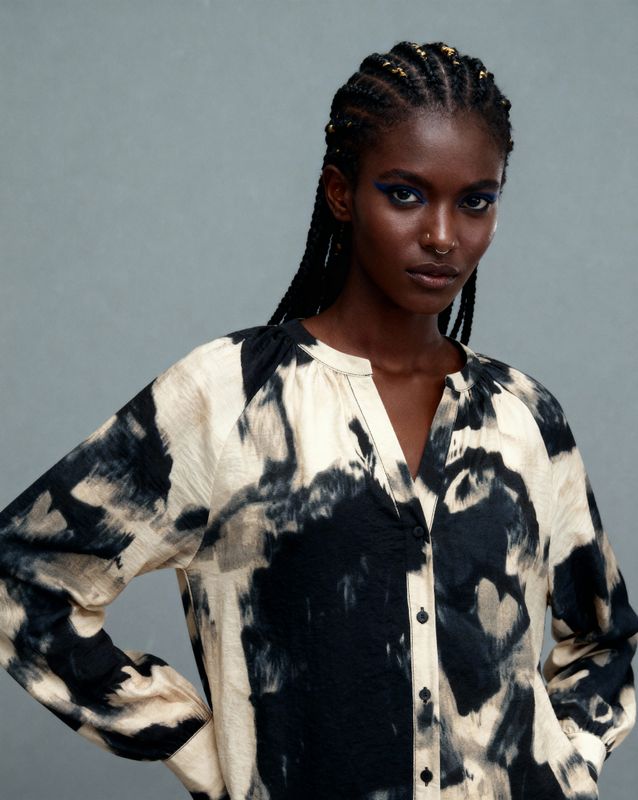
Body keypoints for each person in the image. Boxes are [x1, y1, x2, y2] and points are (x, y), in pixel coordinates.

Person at [0, 40, 636, 800]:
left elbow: (606, 639)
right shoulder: (229, 397)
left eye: (476, 200)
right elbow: (24, 575)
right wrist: (209, 751)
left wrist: (570, 764)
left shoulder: (526, 417)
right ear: (341, 192)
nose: (443, 234)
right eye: (404, 194)